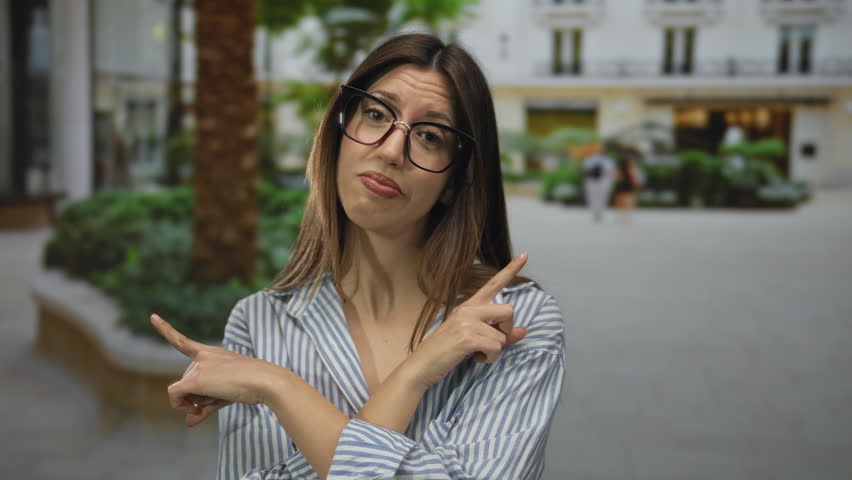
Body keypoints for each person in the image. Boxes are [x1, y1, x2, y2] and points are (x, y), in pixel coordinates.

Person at [150, 33, 565, 480]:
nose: (390, 150)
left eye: (429, 136)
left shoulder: (512, 322)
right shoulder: (258, 323)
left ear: (455, 180)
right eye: (376, 114)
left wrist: (279, 389)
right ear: (338, 131)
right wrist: (415, 375)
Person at [582, 145, 616, 223]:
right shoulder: (608, 160)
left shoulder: (590, 159)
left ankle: (595, 211)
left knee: (593, 197)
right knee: (603, 197)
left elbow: (586, 169)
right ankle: (599, 212)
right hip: (604, 180)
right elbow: (611, 171)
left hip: (592, 181)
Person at [612, 149, 643, 224]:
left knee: (620, 200)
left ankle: (622, 215)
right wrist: (636, 183)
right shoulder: (629, 164)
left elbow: (616, 175)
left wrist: (617, 180)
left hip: (621, 183)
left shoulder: (618, 164)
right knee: (628, 199)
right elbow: (633, 174)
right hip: (628, 183)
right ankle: (626, 215)